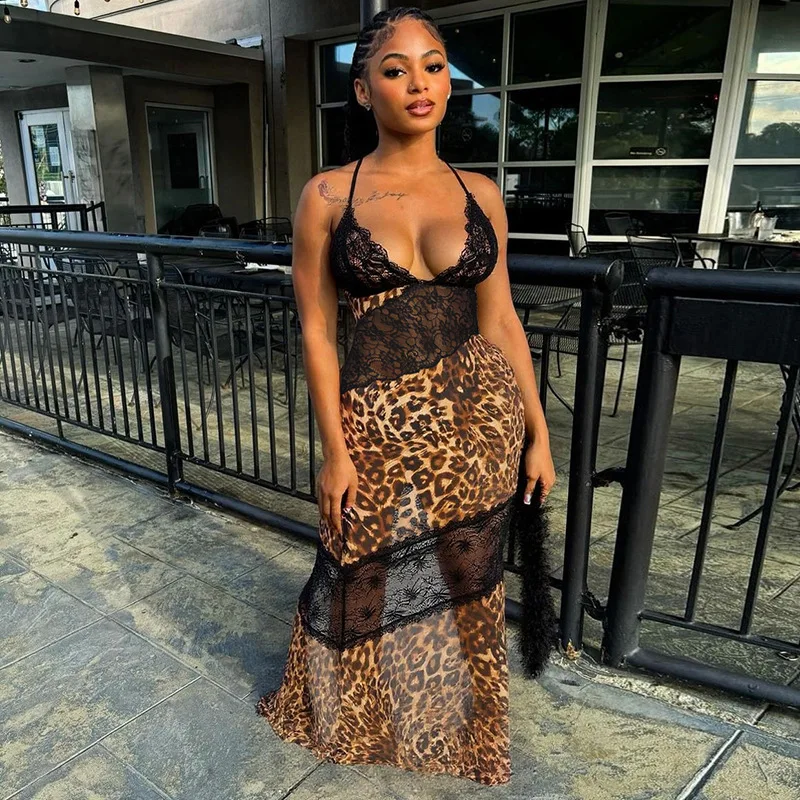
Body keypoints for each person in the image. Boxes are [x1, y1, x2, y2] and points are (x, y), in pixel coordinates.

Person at [256, 6, 557, 786]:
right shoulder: (329, 194)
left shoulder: (479, 193)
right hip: (374, 424)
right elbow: (318, 332)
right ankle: (355, 719)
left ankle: (457, 732)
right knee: (356, 569)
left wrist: (538, 431)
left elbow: (501, 320)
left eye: (434, 65)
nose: (419, 83)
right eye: (396, 69)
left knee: (466, 580)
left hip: (478, 424)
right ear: (364, 91)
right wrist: (333, 451)